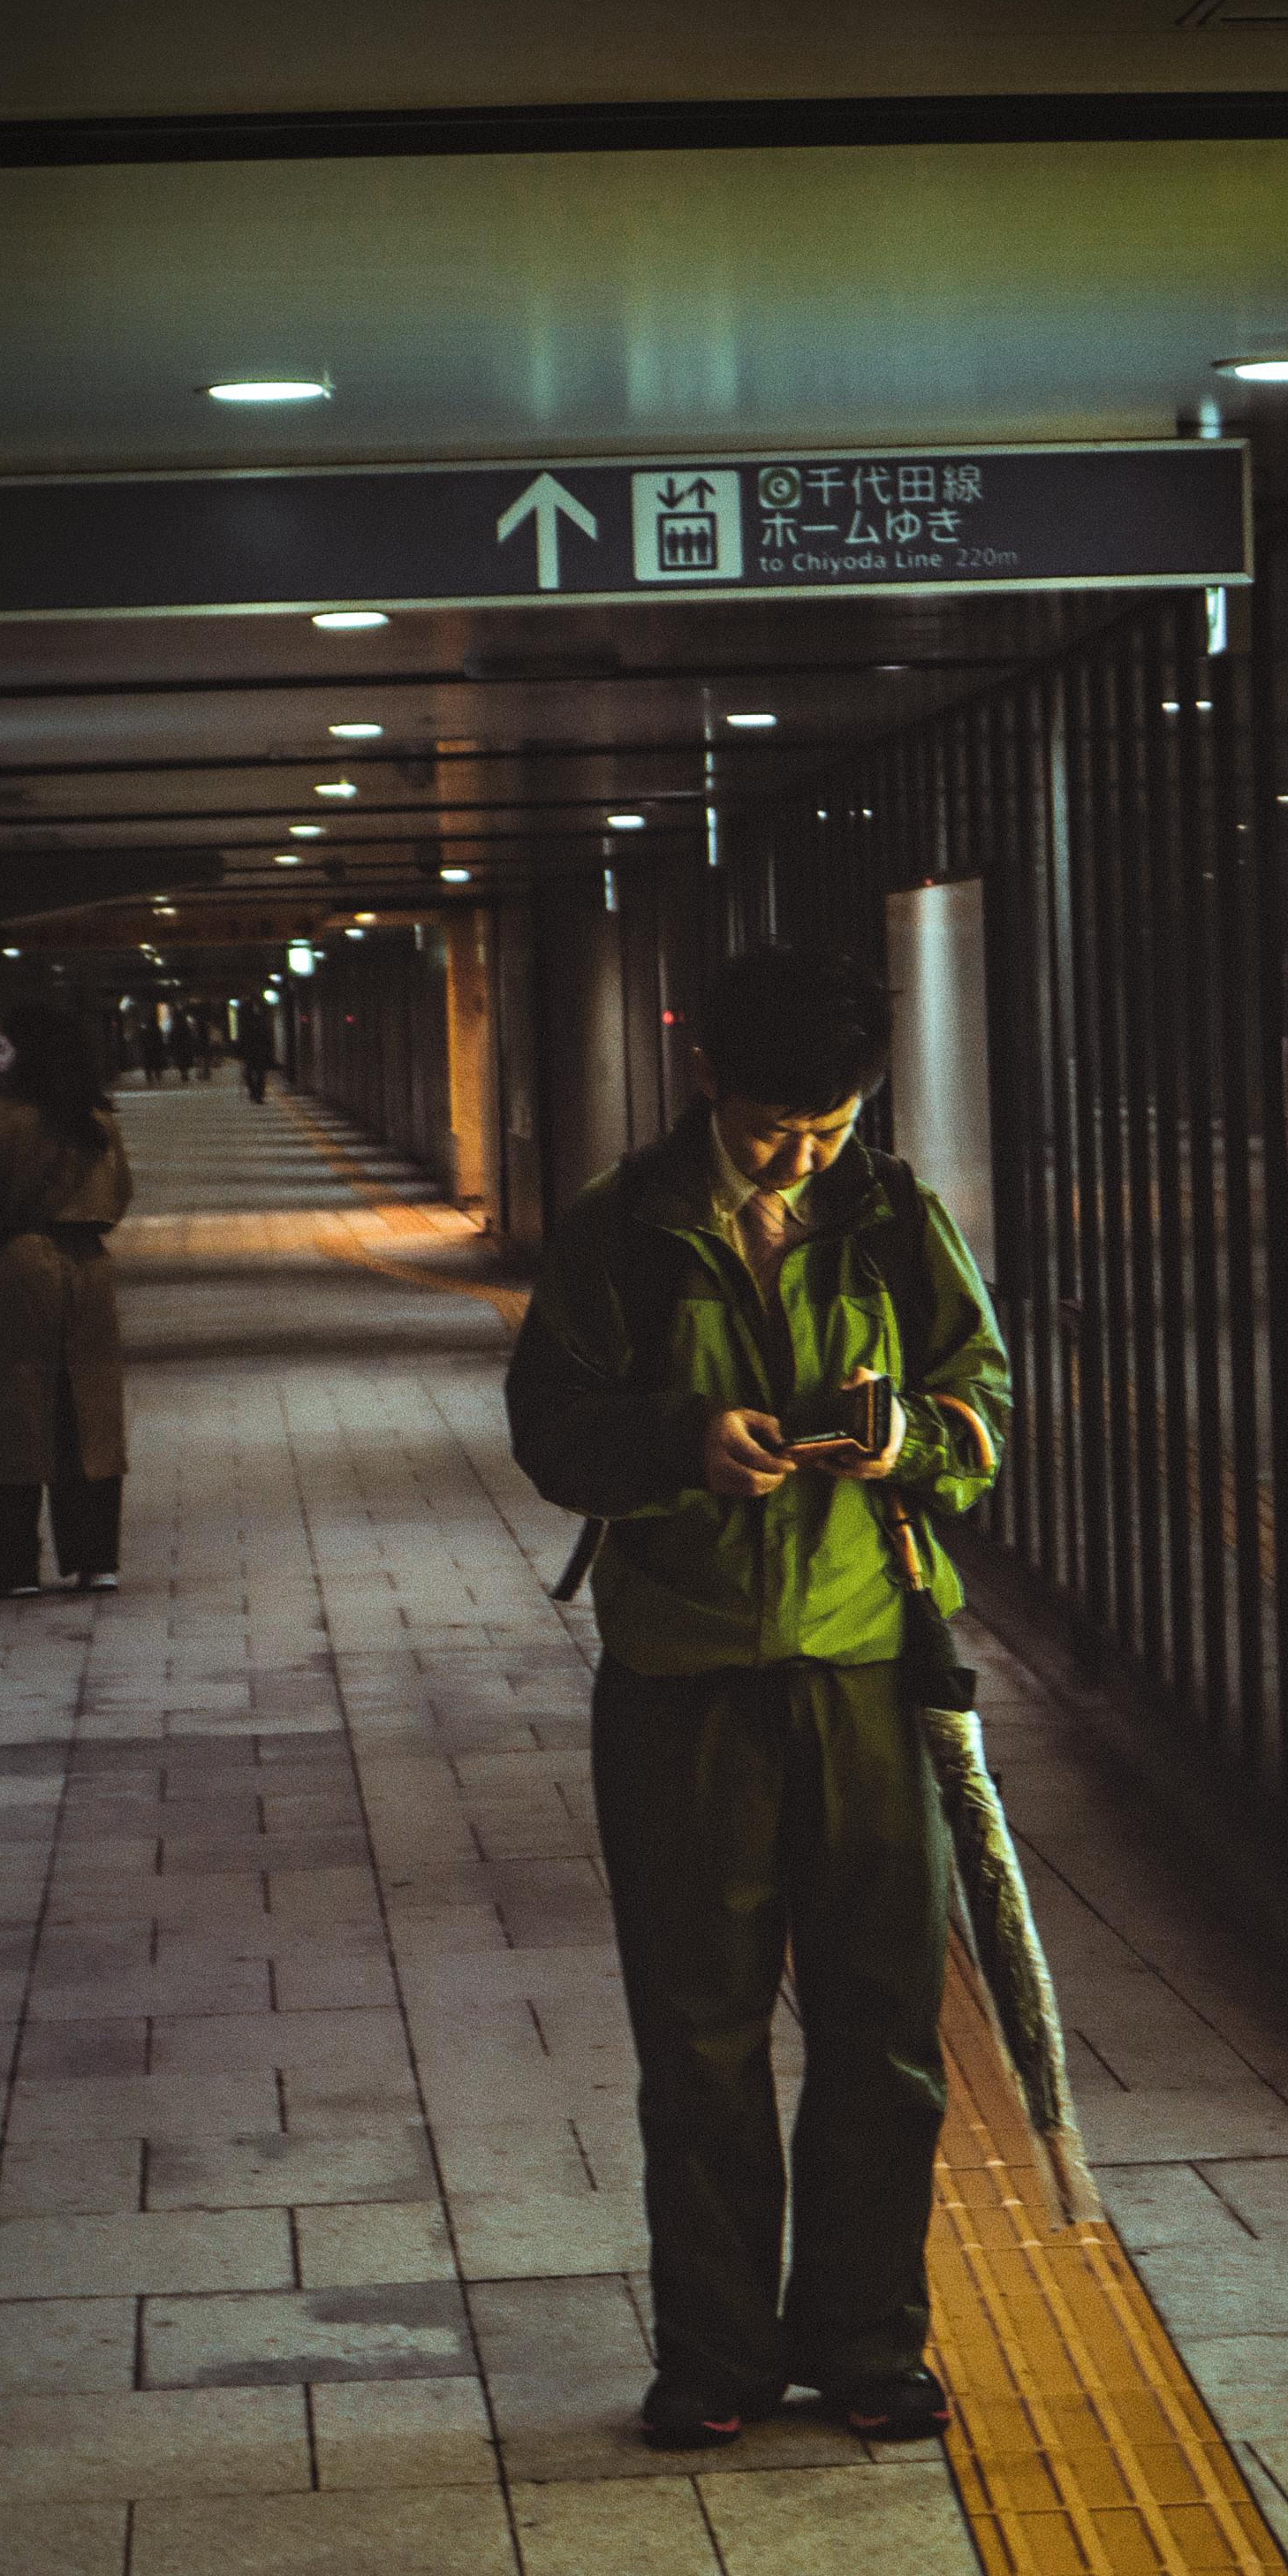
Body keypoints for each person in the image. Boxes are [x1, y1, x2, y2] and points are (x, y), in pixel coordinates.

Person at [506, 949, 1010, 2452]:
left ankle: (867, 2339)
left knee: (886, 2027)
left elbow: (985, 1404)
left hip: (868, 1663)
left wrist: (908, 1432)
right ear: (707, 1073)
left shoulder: (892, 1212)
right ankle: (716, 2354)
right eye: (779, 1124)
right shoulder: (622, 1229)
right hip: (684, 1680)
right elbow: (551, 1428)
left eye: (833, 1124)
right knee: (701, 2032)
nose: (805, 1154)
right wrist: (684, 1443)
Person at [0, 1000, 133, 1597]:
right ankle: (96, 1559)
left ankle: (11, 1567)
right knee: (86, 1411)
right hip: (88, 1273)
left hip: (17, 1273)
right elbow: (118, 1198)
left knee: (14, 1414)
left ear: (29, 1056)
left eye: (3, 1048)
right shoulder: (98, 1122)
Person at [237, 998, 275, 1105]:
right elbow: (267, 1037)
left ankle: (255, 1093)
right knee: (259, 1074)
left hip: (251, 1052)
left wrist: (240, 1052)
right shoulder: (260, 1021)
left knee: (251, 1073)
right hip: (259, 1052)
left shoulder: (245, 1024)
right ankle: (258, 1094)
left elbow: (242, 1039)